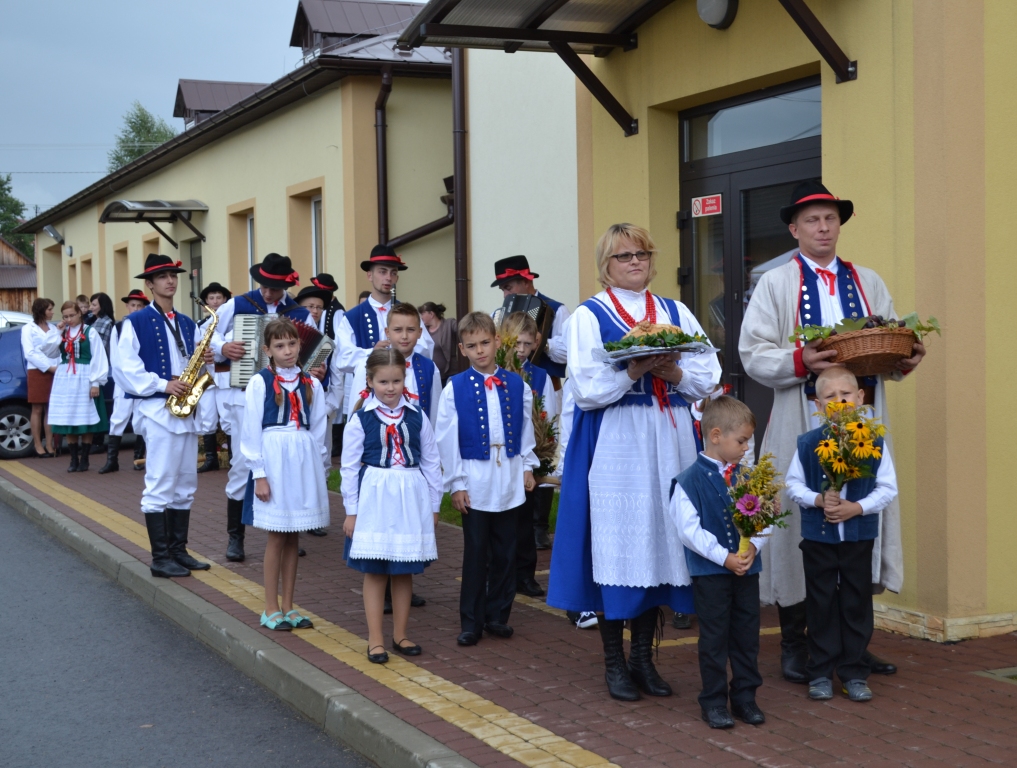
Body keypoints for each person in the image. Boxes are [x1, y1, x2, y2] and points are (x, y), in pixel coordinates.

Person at [738, 181, 919, 683]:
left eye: (830, 219)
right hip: (802, 418)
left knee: (860, 526)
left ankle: (852, 646)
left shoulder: (868, 280)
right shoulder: (775, 283)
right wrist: (800, 359)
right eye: (812, 220)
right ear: (794, 229)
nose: (823, 227)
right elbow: (752, 353)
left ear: (840, 225)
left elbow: (889, 343)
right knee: (802, 528)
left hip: (862, 423)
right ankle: (798, 643)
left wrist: (905, 357)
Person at [546, 223, 720, 702]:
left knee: (661, 540)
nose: (635, 262)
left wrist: (674, 371)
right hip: (617, 435)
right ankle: (614, 662)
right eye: (624, 256)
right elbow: (586, 388)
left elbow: (707, 375)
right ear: (606, 265)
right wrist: (634, 370)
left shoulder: (675, 311)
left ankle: (644, 658)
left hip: (670, 431)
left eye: (642, 253)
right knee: (618, 542)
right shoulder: (589, 315)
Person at [785, 366, 898, 703]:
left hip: (858, 538)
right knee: (820, 603)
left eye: (845, 395)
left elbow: (887, 488)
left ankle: (853, 672)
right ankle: (820, 671)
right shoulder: (808, 443)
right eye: (830, 397)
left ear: (860, 398)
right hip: (818, 539)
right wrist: (818, 499)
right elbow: (793, 485)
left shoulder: (874, 442)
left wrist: (857, 508)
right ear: (818, 405)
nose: (839, 402)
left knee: (855, 602)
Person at [435, 312, 538, 646]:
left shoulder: (517, 384)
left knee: (507, 551)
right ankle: (471, 620)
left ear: (496, 342)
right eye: (472, 345)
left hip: (508, 474)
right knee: (477, 551)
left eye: (484, 343)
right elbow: (446, 439)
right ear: (462, 349)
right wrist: (456, 483)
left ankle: (498, 615)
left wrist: (527, 466)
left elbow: (525, 429)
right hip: (475, 477)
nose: (479, 350)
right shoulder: (455, 388)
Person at [115, 254, 215, 578]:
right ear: (149, 284)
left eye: (173, 275)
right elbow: (125, 369)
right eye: (162, 276)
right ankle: (160, 558)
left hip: (185, 409)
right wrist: (163, 384)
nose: (170, 281)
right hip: (158, 409)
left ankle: (178, 551)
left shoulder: (187, 323)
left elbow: (195, 363)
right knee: (159, 483)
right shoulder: (135, 322)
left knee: (185, 483)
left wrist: (206, 358)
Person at [211, 254, 314, 563]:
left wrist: (316, 368)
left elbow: (316, 351)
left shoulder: (298, 312)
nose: (268, 293)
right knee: (242, 463)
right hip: (246, 394)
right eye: (265, 286)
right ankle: (236, 536)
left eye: (275, 288)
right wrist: (223, 347)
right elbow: (207, 333)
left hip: (287, 396)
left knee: (287, 467)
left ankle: (289, 532)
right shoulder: (238, 304)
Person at [673, 396, 769, 729]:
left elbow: (765, 518)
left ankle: (745, 697)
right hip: (712, 574)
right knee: (714, 639)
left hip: (747, 571)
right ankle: (713, 701)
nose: (746, 447)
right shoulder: (688, 481)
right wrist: (724, 557)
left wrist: (754, 545)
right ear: (716, 435)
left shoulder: (749, 476)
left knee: (747, 636)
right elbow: (689, 531)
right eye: (741, 441)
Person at [341, 347, 441, 662]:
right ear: (370, 381)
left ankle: (401, 634)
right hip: (375, 498)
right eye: (383, 381)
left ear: (404, 379)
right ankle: (375, 638)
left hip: (410, 498)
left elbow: (431, 462)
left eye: (396, 381)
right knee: (375, 571)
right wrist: (351, 512)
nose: (390, 388)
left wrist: (434, 505)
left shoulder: (417, 416)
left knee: (403, 570)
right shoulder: (361, 419)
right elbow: (348, 468)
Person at [240, 317, 330, 630]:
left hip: (302, 461)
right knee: (277, 535)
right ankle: (270, 607)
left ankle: (289, 606)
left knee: (295, 535)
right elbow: (251, 431)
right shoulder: (259, 382)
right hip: (274, 460)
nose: (288, 351)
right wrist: (259, 474)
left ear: (300, 345)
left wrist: (317, 469)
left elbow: (318, 429)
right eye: (280, 346)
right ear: (268, 350)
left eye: (292, 344)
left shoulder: (311, 384)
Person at [336, 245, 434, 425]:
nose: (388, 277)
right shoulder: (352, 317)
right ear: (369, 275)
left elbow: (427, 349)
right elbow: (342, 359)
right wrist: (372, 352)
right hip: (369, 393)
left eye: (393, 273)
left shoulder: (409, 314)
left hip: (407, 386)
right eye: (382, 272)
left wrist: (401, 349)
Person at [498, 311, 558, 597]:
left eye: (526, 343)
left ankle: (525, 574)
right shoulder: (496, 372)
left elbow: (549, 417)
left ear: (536, 343)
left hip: (528, 458)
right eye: (516, 343)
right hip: (499, 459)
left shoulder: (540, 376)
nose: (521, 350)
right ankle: (499, 573)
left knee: (525, 521)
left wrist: (543, 456)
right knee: (500, 522)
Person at [41, 301, 109, 471]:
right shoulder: (62, 332)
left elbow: (98, 357)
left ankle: (84, 459)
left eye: (72, 315)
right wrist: (57, 332)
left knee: (86, 417)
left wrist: (95, 383)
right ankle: (73, 460)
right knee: (68, 417)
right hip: (65, 379)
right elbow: (48, 351)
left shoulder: (90, 331)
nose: (69, 319)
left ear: (80, 313)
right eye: (65, 316)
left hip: (85, 376)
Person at [351, 303, 441, 427]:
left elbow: (435, 415)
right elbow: (357, 414)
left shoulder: (429, 368)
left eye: (411, 330)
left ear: (420, 332)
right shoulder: (367, 366)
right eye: (398, 330)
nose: (404, 336)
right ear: (387, 332)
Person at [491, 256, 569, 382]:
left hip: (546, 387)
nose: (505, 295)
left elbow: (570, 353)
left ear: (526, 282)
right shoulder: (499, 314)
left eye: (508, 288)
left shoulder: (557, 309)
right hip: (507, 387)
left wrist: (544, 344)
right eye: (503, 289)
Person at [100, 290, 151, 474]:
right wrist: (124, 381)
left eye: (139, 306)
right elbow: (116, 358)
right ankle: (112, 460)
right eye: (132, 305)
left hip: (143, 381)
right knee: (118, 418)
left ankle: (139, 458)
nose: (135, 309)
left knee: (141, 419)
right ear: (127, 306)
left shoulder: (148, 326)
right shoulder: (119, 327)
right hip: (124, 382)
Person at [309, 273, 347, 457]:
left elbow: (338, 343)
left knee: (322, 450)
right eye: (310, 307)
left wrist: (328, 408)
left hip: (323, 395)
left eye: (318, 307)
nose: (315, 311)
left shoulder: (337, 312)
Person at [196, 282, 231, 474]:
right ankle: (211, 459)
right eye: (211, 298)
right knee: (207, 418)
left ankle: (233, 458)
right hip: (208, 378)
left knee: (228, 418)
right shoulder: (200, 325)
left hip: (226, 376)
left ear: (225, 300)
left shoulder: (232, 323)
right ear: (206, 303)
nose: (215, 301)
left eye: (219, 297)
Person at [23, 298, 60, 458]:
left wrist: (60, 331)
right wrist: (49, 367)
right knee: (37, 409)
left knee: (50, 409)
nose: (52, 312)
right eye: (49, 309)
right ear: (41, 310)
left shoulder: (53, 328)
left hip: (54, 371)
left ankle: (49, 444)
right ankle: (38, 445)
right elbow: (30, 353)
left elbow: (57, 350)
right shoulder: (28, 329)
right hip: (37, 371)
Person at [87, 293, 116, 455]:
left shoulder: (105, 322)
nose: (91, 308)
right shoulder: (91, 320)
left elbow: (100, 348)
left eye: (94, 305)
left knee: (99, 405)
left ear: (102, 306)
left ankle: (98, 441)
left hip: (100, 368)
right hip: (90, 368)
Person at [419, 302, 458, 384]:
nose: (421, 317)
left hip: (450, 374)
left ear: (431, 314)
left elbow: (462, 329)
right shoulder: (423, 330)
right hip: (432, 375)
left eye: (423, 314)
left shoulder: (449, 324)